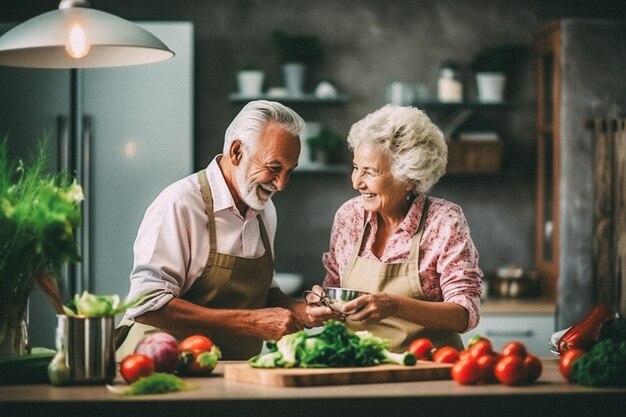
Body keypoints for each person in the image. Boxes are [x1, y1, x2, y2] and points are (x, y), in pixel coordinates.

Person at [116, 100, 317, 360]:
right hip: (159, 372)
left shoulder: (265, 210)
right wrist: (251, 322)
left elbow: (262, 290)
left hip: (231, 376)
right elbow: (146, 304)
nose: (281, 184)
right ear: (236, 152)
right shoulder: (181, 203)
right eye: (274, 168)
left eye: (289, 172)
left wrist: (296, 308)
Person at [305, 104, 483, 352]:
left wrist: (396, 305)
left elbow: (465, 313)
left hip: (427, 368)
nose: (357, 182)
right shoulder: (349, 216)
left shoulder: (444, 220)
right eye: (356, 168)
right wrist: (323, 303)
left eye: (370, 172)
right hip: (357, 363)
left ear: (409, 178)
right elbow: (335, 288)